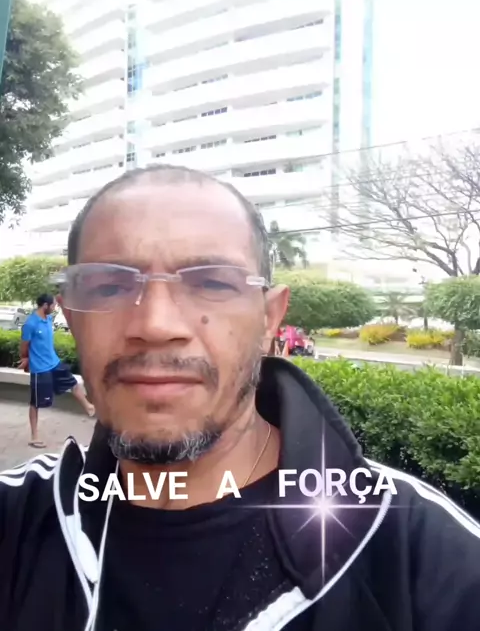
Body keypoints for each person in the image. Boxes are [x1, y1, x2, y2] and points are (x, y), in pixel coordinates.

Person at [0, 164, 479, 631]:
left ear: (269, 319)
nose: (155, 325)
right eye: (109, 285)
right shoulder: (16, 520)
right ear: (71, 316)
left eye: (211, 283)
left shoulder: (424, 558)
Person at [18, 293, 95, 447]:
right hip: (40, 369)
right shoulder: (31, 324)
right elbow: (24, 345)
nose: (54, 308)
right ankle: (34, 436)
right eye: (53, 305)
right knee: (36, 403)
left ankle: (89, 407)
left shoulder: (48, 319)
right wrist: (25, 359)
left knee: (73, 383)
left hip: (54, 363)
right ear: (45, 305)